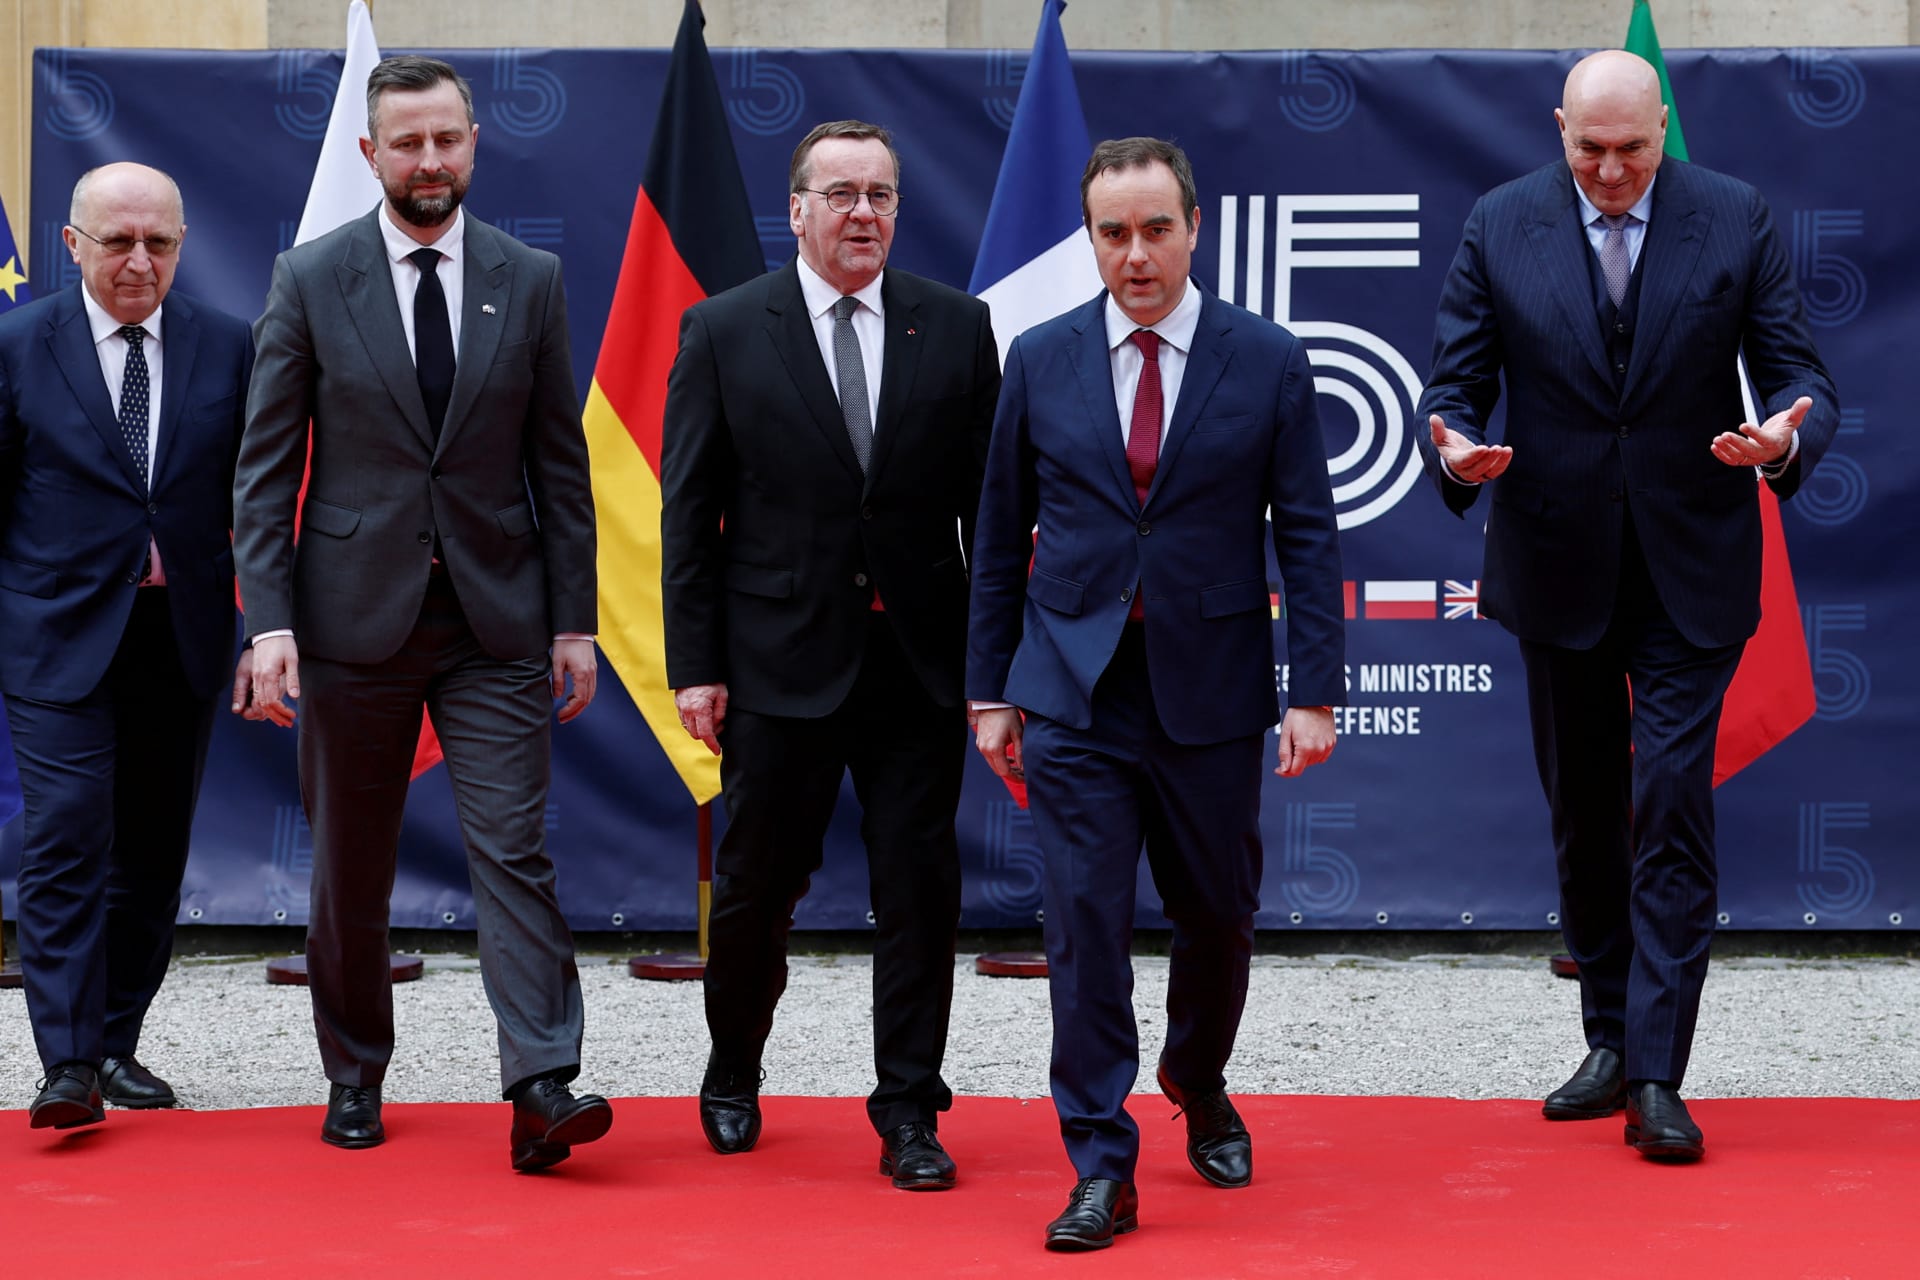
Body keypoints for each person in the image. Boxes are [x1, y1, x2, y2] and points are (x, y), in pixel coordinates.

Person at [1417, 50, 1836, 1163]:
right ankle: (1605, 1033)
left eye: (1632, 150)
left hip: (1693, 564)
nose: (1609, 171)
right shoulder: (1500, 222)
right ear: (1560, 128)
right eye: (1588, 149)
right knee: (1585, 809)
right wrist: (1454, 447)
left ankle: (1657, 1066)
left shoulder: (1733, 216)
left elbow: (1802, 374)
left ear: (1664, 130)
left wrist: (1785, 436)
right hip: (1556, 561)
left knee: (1671, 804)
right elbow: (1453, 380)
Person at [966, 137, 1346, 1250]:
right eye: (1112, 232)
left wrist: (1312, 687)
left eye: (1154, 228)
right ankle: (1100, 1158)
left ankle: (1196, 1073)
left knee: (1217, 913)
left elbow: (1309, 536)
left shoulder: (1266, 358)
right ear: (1089, 237)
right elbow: (996, 539)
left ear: (1194, 227)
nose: (1135, 254)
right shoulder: (1037, 358)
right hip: (1074, 694)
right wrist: (990, 688)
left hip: (1212, 692)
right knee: (1082, 924)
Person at [233, 55, 609, 1171]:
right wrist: (269, 620)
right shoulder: (309, 276)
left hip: (498, 622)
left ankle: (541, 1081)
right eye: (408, 143)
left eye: (447, 139)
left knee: (515, 851)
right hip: (351, 624)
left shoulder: (528, 277)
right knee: (351, 862)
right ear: (371, 155)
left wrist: (574, 620)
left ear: (475, 144)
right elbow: (264, 471)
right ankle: (355, 1070)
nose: (430, 161)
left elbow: (561, 461)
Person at [659, 120, 1000, 1190]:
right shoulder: (722, 330)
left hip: (919, 667)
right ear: (796, 208)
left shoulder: (956, 326)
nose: (865, 213)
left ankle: (908, 1104)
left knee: (919, 890)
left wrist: (992, 666)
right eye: (842, 193)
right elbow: (689, 514)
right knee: (758, 890)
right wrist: (695, 664)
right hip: (775, 664)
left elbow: (989, 517)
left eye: (883, 194)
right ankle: (733, 1066)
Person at [1, 163, 258, 1128]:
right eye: (118, 242)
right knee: (69, 835)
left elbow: (258, 502)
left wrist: (265, 625)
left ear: (183, 244)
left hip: (180, 637)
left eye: (160, 243)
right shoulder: (18, 346)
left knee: (152, 850)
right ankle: (65, 1065)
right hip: (53, 638)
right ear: (73, 245)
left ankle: (114, 1044)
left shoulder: (229, 346)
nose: (141, 261)